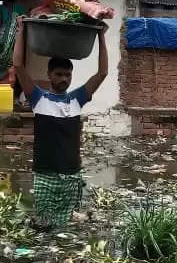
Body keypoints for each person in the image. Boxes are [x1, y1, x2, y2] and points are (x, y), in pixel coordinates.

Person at [12, 16, 109, 229]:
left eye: (67, 74)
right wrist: (21, 30)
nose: (64, 78)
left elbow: (102, 73)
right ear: (49, 75)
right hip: (45, 172)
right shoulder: (39, 98)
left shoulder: (77, 99)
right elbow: (18, 65)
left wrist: (101, 37)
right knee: (45, 224)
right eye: (59, 74)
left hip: (71, 173)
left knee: (64, 225)